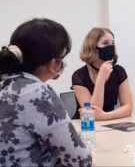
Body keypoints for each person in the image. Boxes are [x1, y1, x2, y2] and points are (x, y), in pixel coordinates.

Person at [0, 18, 92, 167]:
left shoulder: (5, 82)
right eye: (62, 57)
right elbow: (80, 160)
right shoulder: (37, 92)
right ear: (54, 62)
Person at [71, 27, 133, 120]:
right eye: (105, 43)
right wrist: (101, 77)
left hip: (109, 122)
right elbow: (91, 113)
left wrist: (104, 116)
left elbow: (128, 108)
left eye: (112, 43)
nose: (111, 46)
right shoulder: (79, 75)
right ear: (92, 47)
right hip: (85, 126)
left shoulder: (119, 71)